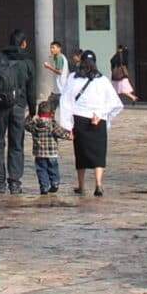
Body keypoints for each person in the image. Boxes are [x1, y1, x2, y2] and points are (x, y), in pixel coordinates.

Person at [0, 30, 34, 195]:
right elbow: (31, 89)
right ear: (24, 43)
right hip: (18, 107)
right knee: (16, 145)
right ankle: (14, 183)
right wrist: (32, 110)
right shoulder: (27, 62)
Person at [68, 49, 122, 197]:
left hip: (79, 119)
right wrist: (100, 114)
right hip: (98, 120)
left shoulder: (73, 78)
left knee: (81, 154)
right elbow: (115, 102)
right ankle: (98, 184)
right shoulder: (103, 80)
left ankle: (81, 185)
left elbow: (67, 101)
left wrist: (67, 124)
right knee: (99, 154)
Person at [26, 92, 65, 197]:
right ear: (51, 113)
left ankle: (44, 186)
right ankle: (55, 183)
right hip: (52, 153)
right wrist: (69, 135)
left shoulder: (34, 124)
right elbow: (61, 133)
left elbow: (26, 124)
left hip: (39, 154)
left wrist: (31, 116)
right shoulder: (52, 124)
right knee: (53, 168)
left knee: (41, 170)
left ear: (39, 113)